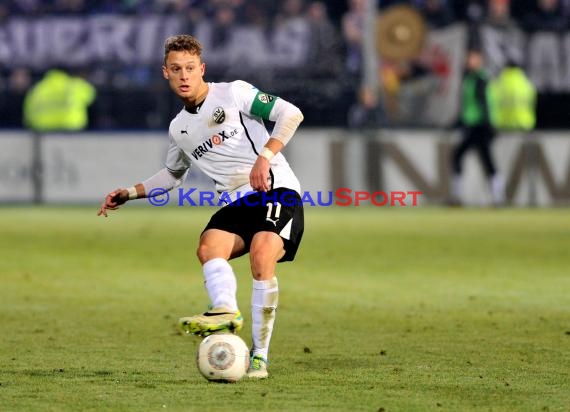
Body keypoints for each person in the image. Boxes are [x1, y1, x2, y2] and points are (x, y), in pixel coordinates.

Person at [97, 34, 304, 379]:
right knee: (208, 247)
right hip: (236, 199)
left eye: (190, 68)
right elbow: (172, 175)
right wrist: (129, 193)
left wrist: (265, 158)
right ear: (165, 72)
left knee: (262, 252)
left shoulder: (233, 93)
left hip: (275, 186)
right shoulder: (179, 128)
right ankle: (225, 309)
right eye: (176, 69)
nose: (184, 75)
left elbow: (291, 114)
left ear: (201, 68)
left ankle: (259, 357)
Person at [451, 48, 504, 206]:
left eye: (472, 58)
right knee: (463, 156)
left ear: (480, 60)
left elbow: (484, 104)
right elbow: (469, 105)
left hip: (480, 126)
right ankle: (460, 195)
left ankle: (497, 197)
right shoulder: (471, 78)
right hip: (473, 125)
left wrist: (489, 124)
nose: (469, 61)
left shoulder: (480, 79)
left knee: (484, 160)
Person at [23, 68, 96, 132]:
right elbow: (92, 96)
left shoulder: (36, 89)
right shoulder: (74, 85)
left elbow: (27, 115)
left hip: (42, 132)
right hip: (72, 130)